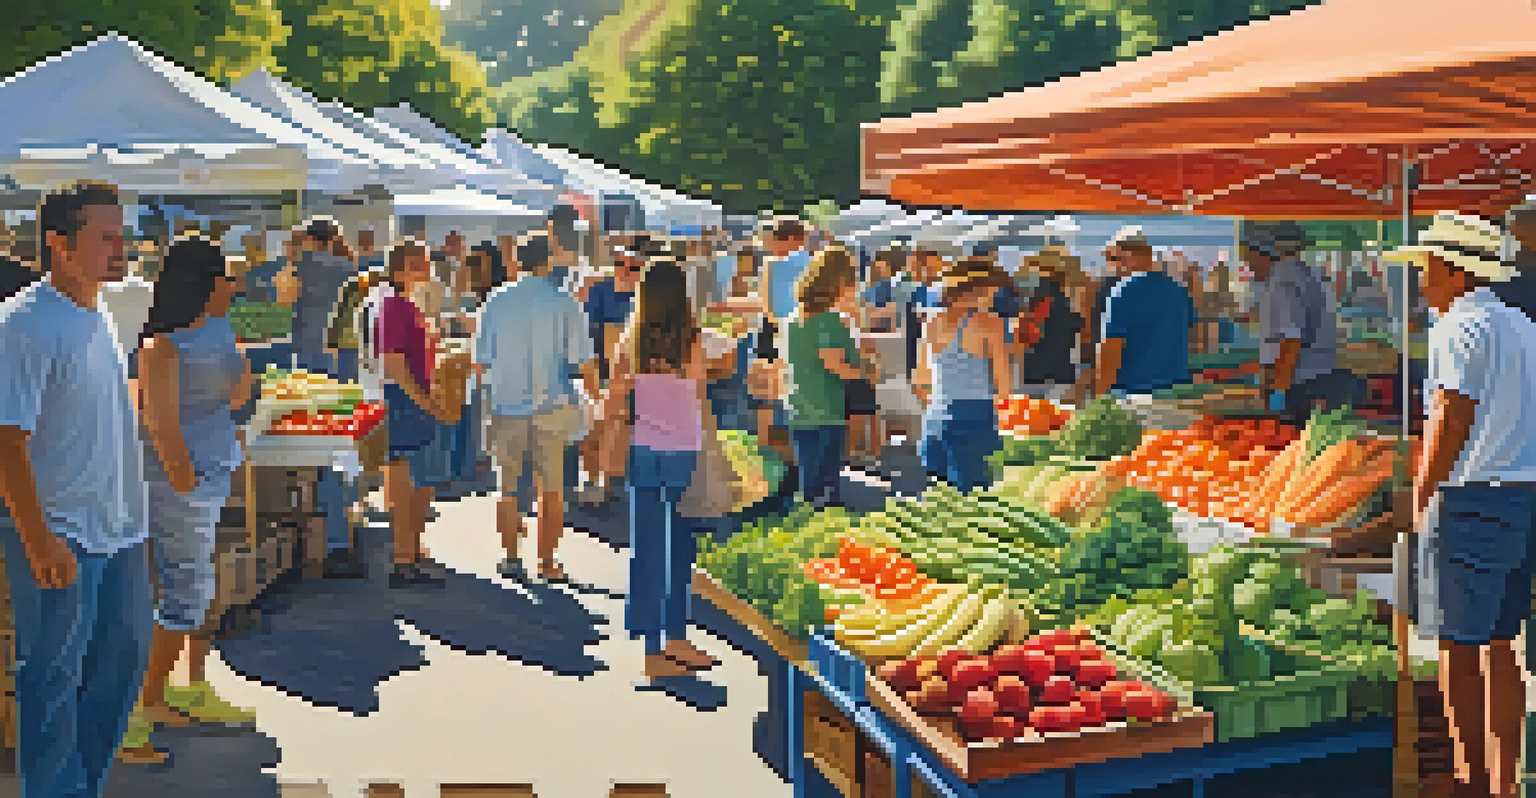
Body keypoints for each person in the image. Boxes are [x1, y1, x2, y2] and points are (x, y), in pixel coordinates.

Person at [0, 181, 156, 793]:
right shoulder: (25, 325)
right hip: (59, 530)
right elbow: (7, 440)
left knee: (120, 667)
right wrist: (38, 541)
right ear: (61, 246)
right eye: (107, 237)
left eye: (123, 236)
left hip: (117, 530)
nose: (122, 248)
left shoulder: (98, 313)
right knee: (50, 675)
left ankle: (79, 787)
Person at [1396, 212, 1536, 798]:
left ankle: (1468, 778)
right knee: (1505, 644)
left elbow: (1452, 416)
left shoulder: (1460, 326)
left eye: (1427, 269)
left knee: (1459, 645)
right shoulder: (1523, 326)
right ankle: (1506, 781)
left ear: (1455, 270)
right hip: (1525, 495)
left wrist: (1422, 493)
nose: (1422, 281)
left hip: (1472, 498)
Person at [129, 237, 258, 760]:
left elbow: (235, 397)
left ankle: (184, 684)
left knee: (197, 580)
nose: (233, 284)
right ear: (201, 282)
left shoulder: (220, 330)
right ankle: (149, 698)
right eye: (224, 276)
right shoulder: (161, 343)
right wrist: (184, 475)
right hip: (180, 479)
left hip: (209, 471)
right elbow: (156, 418)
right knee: (187, 585)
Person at [603, 258, 720, 681]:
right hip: (683, 450)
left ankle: (654, 648)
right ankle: (676, 637)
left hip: (643, 449)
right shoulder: (690, 340)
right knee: (681, 549)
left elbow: (614, 396)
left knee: (647, 549)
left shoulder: (630, 341)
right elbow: (699, 395)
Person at [475, 234, 593, 582]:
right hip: (552, 403)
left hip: (506, 403)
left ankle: (511, 557)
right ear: (550, 260)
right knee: (551, 490)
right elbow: (581, 360)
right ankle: (546, 562)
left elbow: (480, 360)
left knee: (508, 489)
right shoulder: (563, 301)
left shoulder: (496, 300)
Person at [376, 240, 455, 588]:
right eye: (421, 263)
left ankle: (409, 552)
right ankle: (404, 558)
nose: (429, 268)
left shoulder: (404, 304)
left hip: (408, 398)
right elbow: (393, 360)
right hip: (404, 401)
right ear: (403, 269)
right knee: (409, 482)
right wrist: (423, 400)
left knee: (412, 482)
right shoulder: (395, 306)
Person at [784, 245, 878, 508]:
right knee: (825, 487)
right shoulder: (828, 320)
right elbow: (835, 366)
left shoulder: (795, 317)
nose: (855, 289)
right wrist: (868, 372)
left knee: (810, 482)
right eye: (851, 283)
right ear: (839, 283)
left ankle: (809, 530)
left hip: (800, 407)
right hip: (824, 410)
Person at [1241, 221, 1362, 422]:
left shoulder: (1284, 281)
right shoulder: (1308, 275)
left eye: (1248, 255)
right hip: (1317, 380)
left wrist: (1278, 392)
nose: (1248, 264)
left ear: (1263, 251)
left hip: (1301, 386)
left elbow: (1290, 340)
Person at [913, 259, 1012, 493]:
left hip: (934, 420)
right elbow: (1003, 383)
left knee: (941, 503)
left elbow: (919, 379)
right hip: (972, 420)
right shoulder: (989, 323)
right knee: (975, 502)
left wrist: (940, 404)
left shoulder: (931, 321)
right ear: (979, 290)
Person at [1084, 229, 1197, 397]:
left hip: (1134, 394)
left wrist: (1098, 400)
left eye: (1115, 258)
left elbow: (1110, 350)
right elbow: (1191, 339)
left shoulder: (1122, 290)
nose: (1113, 266)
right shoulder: (1178, 290)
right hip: (1177, 392)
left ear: (1130, 255)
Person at [1022, 249, 1085, 400]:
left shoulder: (1035, 293)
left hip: (1035, 368)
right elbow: (1070, 324)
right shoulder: (1058, 295)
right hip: (1058, 368)